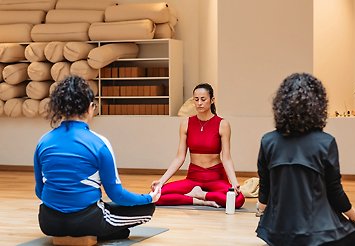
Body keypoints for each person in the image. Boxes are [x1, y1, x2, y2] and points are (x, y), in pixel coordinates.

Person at [33, 75, 161, 241]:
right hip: (87, 221)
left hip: (48, 222)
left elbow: (40, 191)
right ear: (90, 107)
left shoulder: (43, 142)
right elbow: (117, 195)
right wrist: (149, 197)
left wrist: (63, 203)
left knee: (100, 209)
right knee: (146, 209)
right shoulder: (99, 143)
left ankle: (103, 228)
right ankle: (107, 230)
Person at [256, 73, 355, 245]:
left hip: (277, 234)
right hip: (316, 234)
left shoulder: (268, 141)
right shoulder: (325, 142)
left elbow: (265, 187)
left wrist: (262, 210)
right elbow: (334, 191)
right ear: (318, 106)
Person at [151, 83, 245, 208]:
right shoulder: (186, 123)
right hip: (193, 178)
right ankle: (198, 199)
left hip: (215, 178)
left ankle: (203, 195)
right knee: (154, 195)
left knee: (238, 200)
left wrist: (234, 183)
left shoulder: (223, 124)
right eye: (196, 99)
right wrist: (161, 182)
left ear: (212, 100)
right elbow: (179, 157)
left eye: (203, 99)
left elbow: (226, 158)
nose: (199, 103)